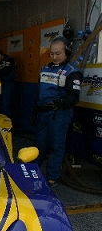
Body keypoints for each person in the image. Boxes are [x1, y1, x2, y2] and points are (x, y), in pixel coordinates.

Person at [34, 37, 82, 188]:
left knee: (56, 145)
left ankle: (52, 177)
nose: (54, 57)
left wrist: (59, 104)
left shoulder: (72, 71)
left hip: (59, 114)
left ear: (66, 51)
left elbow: (73, 97)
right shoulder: (44, 69)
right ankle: (32, 173)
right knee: (39, 145)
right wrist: (34, 111)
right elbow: (38, 92)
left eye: (58, 53)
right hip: (43, 112)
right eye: (52, 53)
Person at [0, 48, 17, 118]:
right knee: (1, 105)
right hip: (3, 84)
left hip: (8, 84)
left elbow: (7, 73)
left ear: (0, 55)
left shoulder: (9, 60)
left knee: (6, 106)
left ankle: (7, 122)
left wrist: (1, 75)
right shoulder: (1, 63)